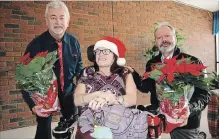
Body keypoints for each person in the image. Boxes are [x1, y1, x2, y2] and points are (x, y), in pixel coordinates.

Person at [130, 22, 211, 139]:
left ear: (175, 38)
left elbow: (204, 93)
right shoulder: (152, 63)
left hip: (186, 121)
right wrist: (133, 73)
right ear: (156, 42)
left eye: (167, 36)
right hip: (160, 117)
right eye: (159, 37)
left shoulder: (192, 61)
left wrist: (190, 109)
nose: (163, 40)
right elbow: (146, 87)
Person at [21, 1, 83, 139]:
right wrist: (32, 105)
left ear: (68, 21)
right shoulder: (35, 45)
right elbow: (24, 77)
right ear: (47, 20)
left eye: (62, 17)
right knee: (43, 130)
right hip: (45, 96)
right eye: (53, 17)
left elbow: (79, 69)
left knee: (70, 127)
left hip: (68, 93)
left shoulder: (74, 42)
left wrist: (82, 89)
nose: (58, 22)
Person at [74, 36, 137, 138]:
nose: (101, 54)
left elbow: (132, 99)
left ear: (114, 56)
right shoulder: (87, 72)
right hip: (90, 125)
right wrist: (98, 95)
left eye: (106, 51)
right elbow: (77, 99)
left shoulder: (125, 73)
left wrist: (111, 100)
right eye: (98, 51)